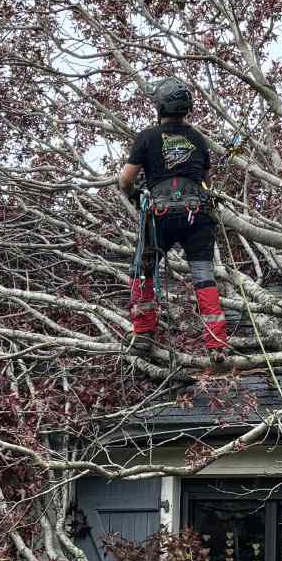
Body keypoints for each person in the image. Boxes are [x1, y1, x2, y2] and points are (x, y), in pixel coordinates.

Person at [117, 77, 231, 361]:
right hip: (197, 214)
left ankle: (143, 335)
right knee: (203, 276)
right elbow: (206, 183)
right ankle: (217, 344)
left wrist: (135, 196)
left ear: (159, 106)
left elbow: (125, 180)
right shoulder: (198, 139)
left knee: (142, 271)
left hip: (159, 216)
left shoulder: (147, 137)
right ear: (186, 109)